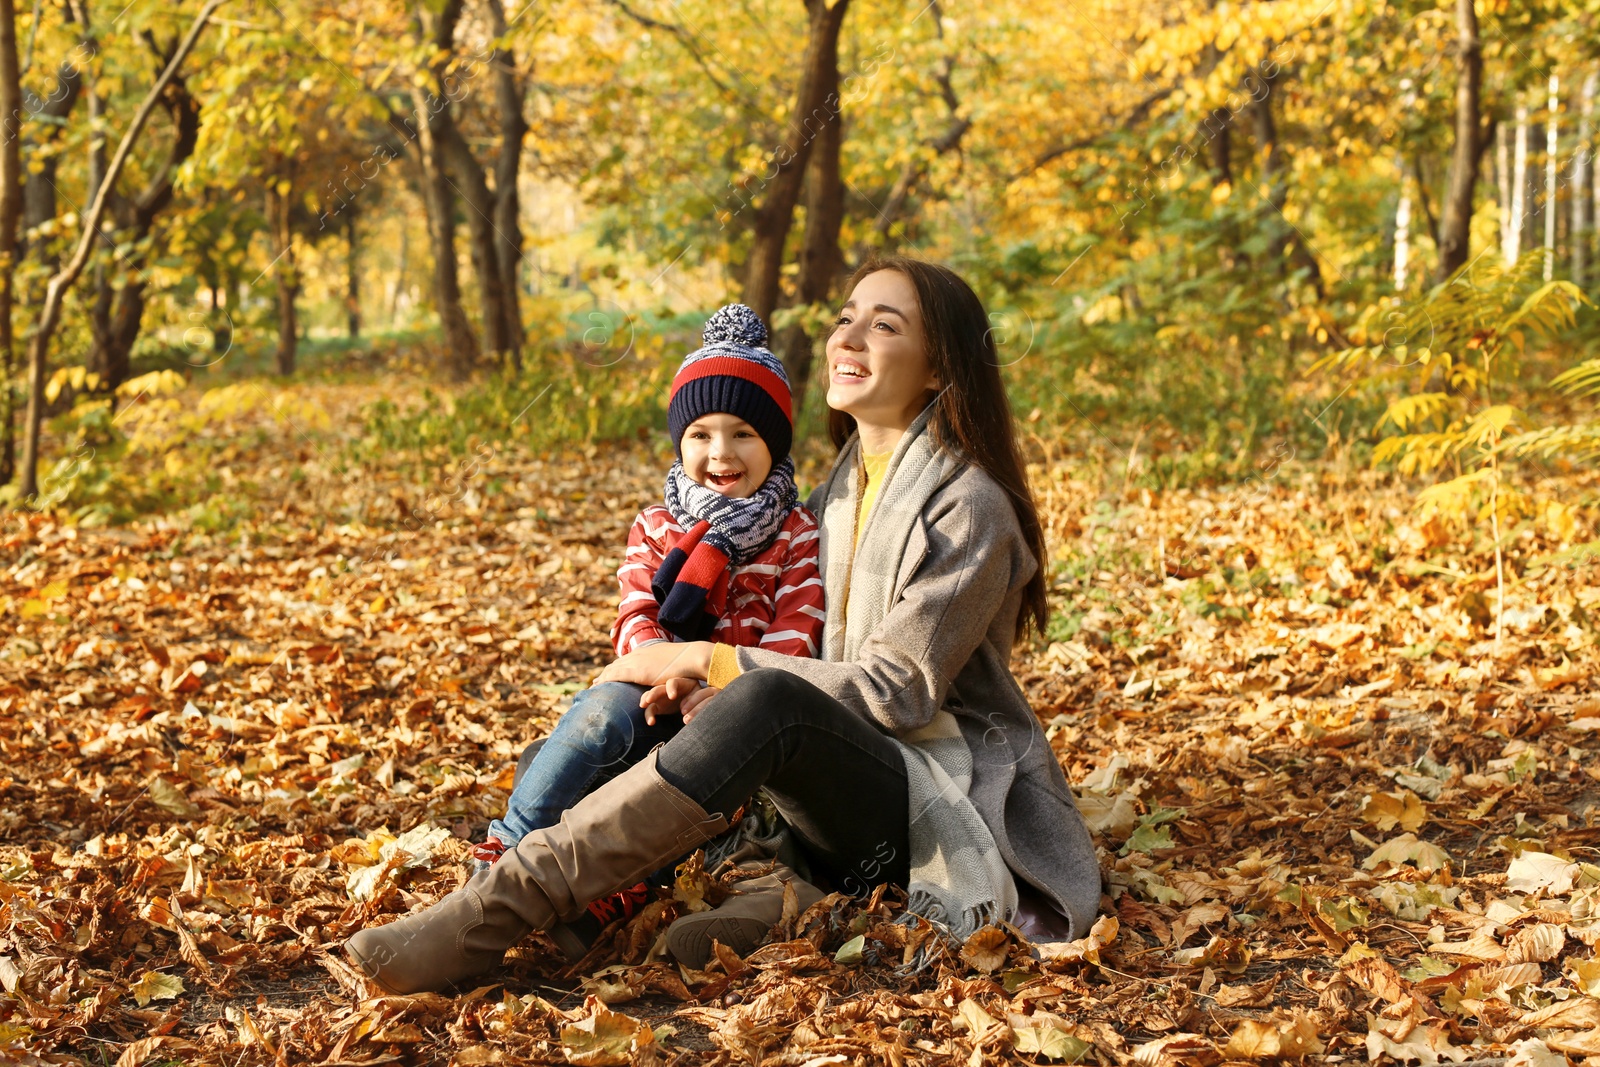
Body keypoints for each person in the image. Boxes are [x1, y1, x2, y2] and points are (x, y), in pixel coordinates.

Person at [345, 257, 1103, 995]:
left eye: (884, 326)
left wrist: (709, 660)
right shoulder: (834, 491)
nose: (849, 339)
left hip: (930, 792)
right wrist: (688, 681)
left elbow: (897, 690)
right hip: (823, 791)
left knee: (762, 699)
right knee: (592, 739)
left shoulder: (968, 506)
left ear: (940, 370)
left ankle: (488, 914)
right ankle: (778, 897)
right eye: (846, 320)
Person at [473, 303, 826, 954]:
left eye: (744, 432)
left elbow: (796, 631)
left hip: (734, 710)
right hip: (647, 688)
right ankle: (507, 853)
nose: (721, 452)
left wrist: (725, 693)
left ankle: (607, 899)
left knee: (685, 785)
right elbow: (636, 617)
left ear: (775, 441)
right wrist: (676, 673)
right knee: (594, 720)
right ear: (679, 441)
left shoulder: (795, 533)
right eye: (701, 434)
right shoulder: (656, 526)